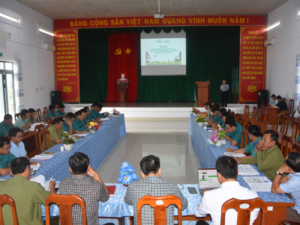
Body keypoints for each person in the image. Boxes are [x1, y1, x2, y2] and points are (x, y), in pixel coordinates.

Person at [124, 155, 188, 225]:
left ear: (142, 174)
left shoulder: (132, 187)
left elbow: (128, 202)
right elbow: (183, 205)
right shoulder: (173, 187)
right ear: (159, 171)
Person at [195, 156, 259, 225]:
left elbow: (198, 214)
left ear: (218, 175)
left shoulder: (209, 196)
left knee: (200, 222)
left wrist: (205, 197)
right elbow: (254, 217)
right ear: (237, 173)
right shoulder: (253, 195)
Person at [0, 157, 55, 225]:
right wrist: (52, 186)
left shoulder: (1, 185)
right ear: (27, 169)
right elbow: (53, 200)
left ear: (11, 172)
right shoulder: (33, 187)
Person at [59, 152, 109, 225]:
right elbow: (106, 197)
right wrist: (96, 175)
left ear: (70, 169)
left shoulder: (62, 184)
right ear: (89, 167)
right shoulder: (96, 185)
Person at [271, 152, 300, 223]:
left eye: (285, 162)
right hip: (294, 199)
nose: (283, 164)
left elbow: (274, 189)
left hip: (298, 212)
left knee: (271, 209)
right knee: (274, 198)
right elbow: (285, 180)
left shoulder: (296, 181)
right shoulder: (296, 170)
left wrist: (280, 171)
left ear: (290, 169)